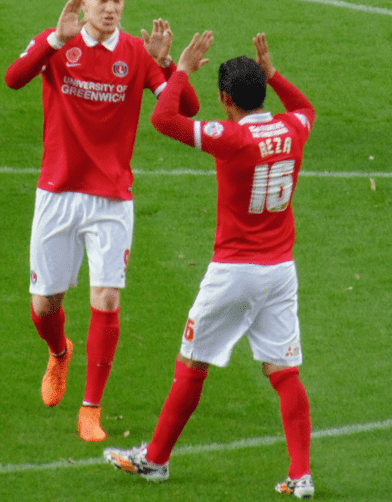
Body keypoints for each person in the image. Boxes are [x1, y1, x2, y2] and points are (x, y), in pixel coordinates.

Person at [103, 31, 316, 499]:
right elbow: (307, 109)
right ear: (260, 89)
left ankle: (155, 460)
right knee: (284, 373)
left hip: (234, 272)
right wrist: (274, 72)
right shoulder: (291, 128)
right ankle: (300, 475)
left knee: (191, 364)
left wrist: (178, 70)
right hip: (281, 271)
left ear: (224, 99)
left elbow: (164, 119)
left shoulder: (231, 137)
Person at [4, 0, 200, 442]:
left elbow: (187, 110)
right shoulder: (59, 42)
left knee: (107, 297)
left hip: (112, 197)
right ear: (83, 2)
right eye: (103, 1)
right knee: (45, 303)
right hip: (57, 192)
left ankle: (90, 409)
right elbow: (13, 78)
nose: (111, 9)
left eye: (118, 2)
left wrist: (168, 65)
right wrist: (54, 39)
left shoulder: (135, 53)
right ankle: (59, 353)